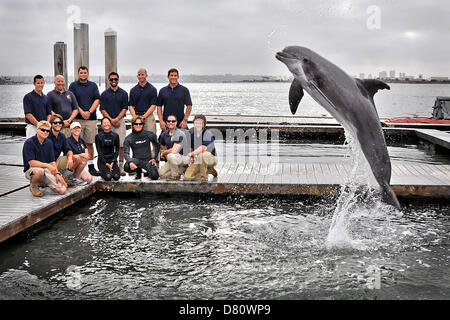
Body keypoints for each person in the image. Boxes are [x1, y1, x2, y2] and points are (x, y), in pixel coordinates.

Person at [69, 66, 101, 176]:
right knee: (76, 143)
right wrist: (81, 111)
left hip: (91, 119)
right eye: (81, 72)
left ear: (87, 74)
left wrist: (90, 111)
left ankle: (91, 166)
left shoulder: (93, 85)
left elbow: (97, 99)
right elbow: (73, 101)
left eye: (85, 72)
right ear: (78, 74)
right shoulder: (73, 85)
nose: (83, 74)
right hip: (77, 119)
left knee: (90, 143)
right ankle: (77, 166)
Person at [22, 120, 67, 197]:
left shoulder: (49, 143)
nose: (45, 132)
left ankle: (43, 182)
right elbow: (31, 162)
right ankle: (33, 185)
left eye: (47, 131)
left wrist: (57, 174)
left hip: (46, 169)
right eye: (42, 130)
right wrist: (48, 165)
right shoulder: (29, 143)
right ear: (37, 129)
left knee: (62, 190)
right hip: (32, 169)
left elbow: (52, 161)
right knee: (39, 171)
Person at [100, 72, 128, 176]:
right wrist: (111, 120)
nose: (113, 81)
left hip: (120, 121)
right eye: (111, 79)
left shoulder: (124, 93)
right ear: (108, 80)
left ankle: (121, 166)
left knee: (121, 145)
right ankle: (108, 165)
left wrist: (116, 119)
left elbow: (125, 108)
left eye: (115, 79)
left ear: (118, 80)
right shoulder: (104, 94)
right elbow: (102, 109)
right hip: (107, 121)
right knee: (107, 144)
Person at [123, 116, 160, 180]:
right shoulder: (128, 138)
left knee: (155, 176)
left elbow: (157, 145)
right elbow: (126, 153)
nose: (138, 125)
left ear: (143, 125)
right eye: (136, 124)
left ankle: (149, 172)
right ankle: (138, 171)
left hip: (148, 160)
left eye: (140, 124)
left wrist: (154, 158)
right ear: (132, 125)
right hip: (136, 161)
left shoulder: (149, 134)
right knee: (126, 167)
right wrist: (130, 162)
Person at [184, 115, 218, 181]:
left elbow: (203, 148)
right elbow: (191, 147)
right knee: (187, 177)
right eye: (196, 123)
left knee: (203, 154)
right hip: (198, 159)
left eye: (200, 123)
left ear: (204, 124)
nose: (198, 125)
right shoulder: (192, 134)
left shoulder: (208, 133)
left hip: (211, 158)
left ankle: (204, 176)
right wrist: (193, 158)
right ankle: (209, 170)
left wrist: (190, 154)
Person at [47, 114, 76, 186]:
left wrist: (69, 158)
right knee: (60, 189)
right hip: (47, 164)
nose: (58, 124)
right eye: (55, 123)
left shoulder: (62, 136)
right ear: (51, 124)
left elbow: (68, 149)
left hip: (56, 161)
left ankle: (66, 178)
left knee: (75, 158)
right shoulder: (46, 135)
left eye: (60, 123)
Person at [158, 115, 189, 180]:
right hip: (172, 158)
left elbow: (174, 150)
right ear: (166, 123)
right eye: (169, 121)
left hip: (183, 158)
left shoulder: (180, 134)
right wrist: (166, 155)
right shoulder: (164, 134)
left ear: (176, 122)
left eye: (173, 121)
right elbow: (162, 146)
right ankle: (182, 169)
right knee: (161, 174)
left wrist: (164, 152)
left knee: (171, 155)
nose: (171, 123)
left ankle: (175, 176)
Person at [129, 68, 158, 135]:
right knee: (135, 138)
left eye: (142, 74)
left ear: (146, 75)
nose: (141, 76)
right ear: (137, 76)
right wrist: (135, 117)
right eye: (139, 75)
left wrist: (143, 117)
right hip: (136, 116)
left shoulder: (152, 89)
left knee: (152, 138)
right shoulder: (133, 90)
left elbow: (153, 106)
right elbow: (131, 106)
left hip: (148, 117)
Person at [95, 117, 121, 181]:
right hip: (103, 161)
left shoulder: (115, 135)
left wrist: (113, 162)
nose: (106, 124)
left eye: (108, 122)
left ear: (110, 124)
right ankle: (104, 171)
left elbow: (117, 150)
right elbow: (99, 152)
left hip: (112, 160)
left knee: (116, 176)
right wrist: (106, 163)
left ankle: (111, 171)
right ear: (101, 125)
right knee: (108, 177)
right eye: (104, 123)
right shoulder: (98, 136)